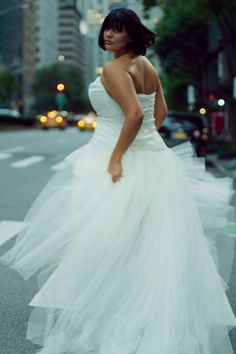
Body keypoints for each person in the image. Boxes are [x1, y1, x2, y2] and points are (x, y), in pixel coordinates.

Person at [0, 8, 236, 354]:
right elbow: (161, 114)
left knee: (106, 244)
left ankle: (113, 315)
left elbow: (135, 114)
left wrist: (115, 157)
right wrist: (144, 143)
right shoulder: (145, 65)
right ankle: (143, 315)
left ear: (132, 34)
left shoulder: (114, 68)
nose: (109, 35)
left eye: (118, 30)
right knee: (146, 245)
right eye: (107, 28)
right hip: (155, 160)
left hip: (116, 159)